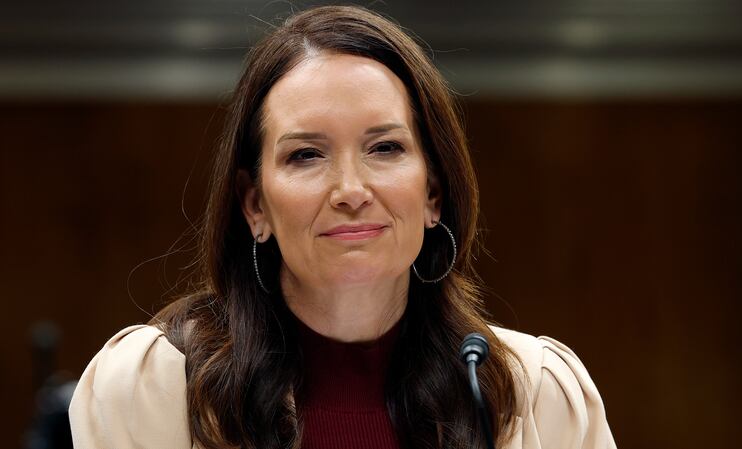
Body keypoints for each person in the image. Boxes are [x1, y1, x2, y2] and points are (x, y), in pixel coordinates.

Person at [68, 5, 617, 449]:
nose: (351, 190)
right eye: (306, 155)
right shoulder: (151, 390)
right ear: (255, 206)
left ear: (433, 193)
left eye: (385, 148)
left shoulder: (535, 396)